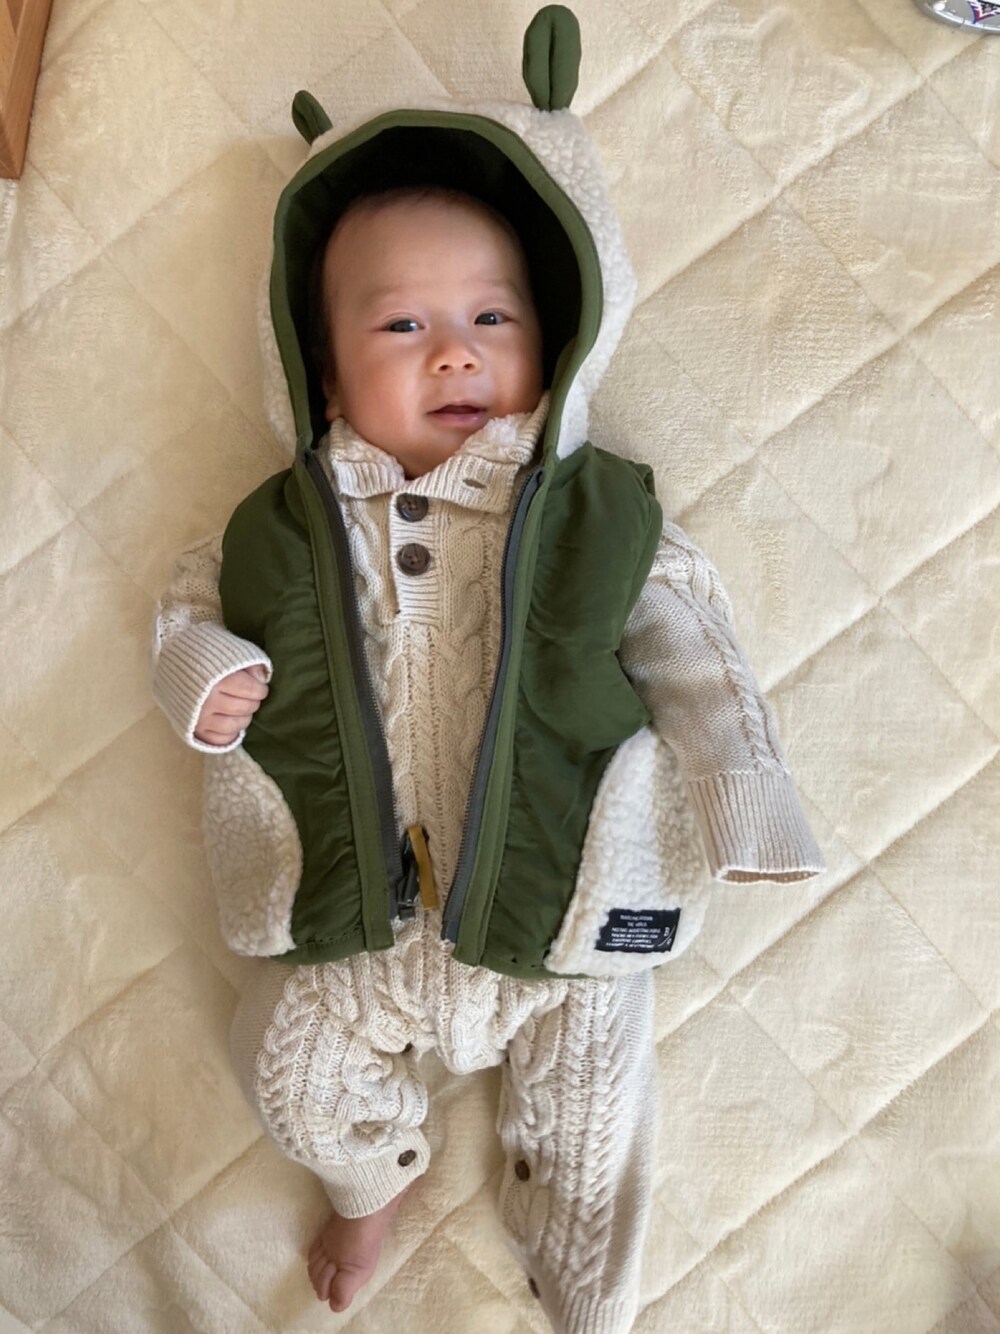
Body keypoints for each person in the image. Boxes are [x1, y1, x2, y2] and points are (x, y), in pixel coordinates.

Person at [150, 9, 826, 1331]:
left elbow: (694, 648)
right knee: (283, 1073)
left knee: (596, 1118)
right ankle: (373, 1172)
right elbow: (181, 614)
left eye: (490, 317)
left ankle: (588, 1296)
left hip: (564, 919)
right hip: (357, 932)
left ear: (556, 337)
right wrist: (203, 673)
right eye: (401, 324)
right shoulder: (279, 529)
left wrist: (743, 787)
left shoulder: (595, 513)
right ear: (325, 379)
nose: (453, 350)